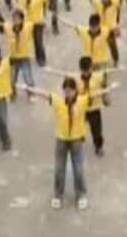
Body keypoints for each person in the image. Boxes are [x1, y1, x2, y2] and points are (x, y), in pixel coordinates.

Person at [26, 76, 94, 209]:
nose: (68, 94)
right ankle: (58, 195)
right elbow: (44, 94)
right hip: (61, 139)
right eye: (66, 91)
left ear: (75, 91)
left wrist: (110, 89)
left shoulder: (82, 101)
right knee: (59, 169)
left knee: (78, 169)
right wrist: (30, 89)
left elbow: (95, 94)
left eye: (70, 91)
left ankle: (81, 195)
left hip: (76, 140)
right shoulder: (58, 101)